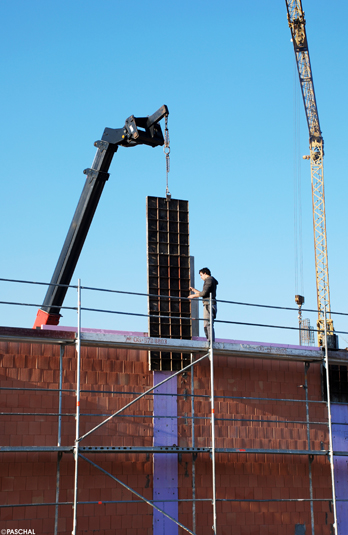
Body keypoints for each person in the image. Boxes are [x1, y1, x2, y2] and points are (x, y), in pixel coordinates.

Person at [188, 267, 218, 341]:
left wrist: (193, 296)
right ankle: (209, 339)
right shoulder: (211, 281)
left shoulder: (209, 280)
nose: (201, 278)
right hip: (209, 303)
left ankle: (210, 341)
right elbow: (204, 294)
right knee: (207, 323)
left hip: (209, 304)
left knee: (207, 323)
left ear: (205, 273)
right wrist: (194, 290)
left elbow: (204, 293)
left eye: (201, 275)